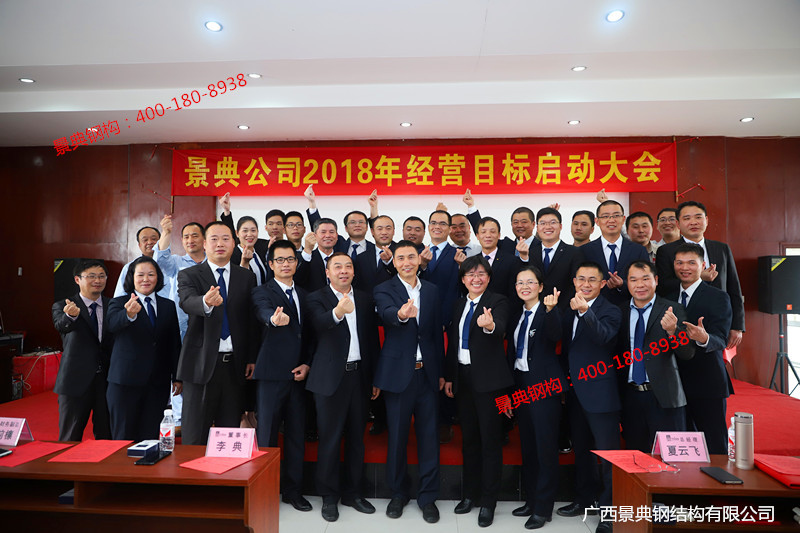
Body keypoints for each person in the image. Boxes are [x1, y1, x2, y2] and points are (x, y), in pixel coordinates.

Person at [373, 241, 445, 523]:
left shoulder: (432, 290)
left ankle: (428, 497)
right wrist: (401, 315)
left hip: (427, 374)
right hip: (398, 375)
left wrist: (441, 372)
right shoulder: (384, 289)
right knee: (397, 437)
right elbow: (386, 313)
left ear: (419, 260)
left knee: (429, 438)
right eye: (401, 258)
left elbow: (436, 334)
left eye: (411, 257)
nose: (406, 262)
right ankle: (398, 494)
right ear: (394, 262)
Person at [305, 253, 380, 522]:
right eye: (337, 266)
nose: (344, 271)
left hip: (359, 376)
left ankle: (353, 493)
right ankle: (329, 496)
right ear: (327, 272)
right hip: (329, 379)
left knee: (357, 439)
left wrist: (374, 377)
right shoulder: (316, 298)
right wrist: (338, 311)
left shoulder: (365, 298)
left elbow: (371, 340)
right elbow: (318, 324)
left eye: (348, 266)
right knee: (330, 438)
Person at [176, 221, 258, 445]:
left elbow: (250, 320)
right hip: (200, 364)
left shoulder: (246, 277)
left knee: (228, 434)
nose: (220, 243)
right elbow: (186, 302)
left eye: (225, 239)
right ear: (204, 244)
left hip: (234, 366)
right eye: (214, 239)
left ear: (234, 243)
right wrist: (205, 301)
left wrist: (251, 357)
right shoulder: (189, 274)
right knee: (195, 435)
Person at [444, 255, 512, 527]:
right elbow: (453, 342)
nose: (476, 278)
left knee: (490, 442)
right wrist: (450, 376)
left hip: (489, 383)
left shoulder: (498, 301)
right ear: (463, 279)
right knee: (469, 440)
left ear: (489, 278)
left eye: (481, 273)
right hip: (463, 379)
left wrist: (490, 325)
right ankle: (470, 494)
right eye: (470, 274)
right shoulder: (460, 303)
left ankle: (488, 501)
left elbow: (501, 327)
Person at [557, 262, 621, 528]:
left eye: (592, 280)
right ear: (574, 281)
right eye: (581, 279)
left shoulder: (611, 310)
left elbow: (603, 338)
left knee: (608, 455)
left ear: (602, 284)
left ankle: (609, 512)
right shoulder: (569, 307)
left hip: (601, 394)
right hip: (575, 393)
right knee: (582, 451)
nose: (585, 284)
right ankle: (583, 500)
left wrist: (586, 312)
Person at [251, 240, 312, 512]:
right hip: (272, 376)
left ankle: (293, 492)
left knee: (297, 436)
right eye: (280, 260)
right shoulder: (262, 292)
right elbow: (263, 311)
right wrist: (273, 319)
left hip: (299, 376)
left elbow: (310, 335)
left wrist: (307, 364)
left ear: (296, 263)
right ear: (271, 264)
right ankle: (264, 491)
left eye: (290, 259)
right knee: (267, 436)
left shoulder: (306, 294)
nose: (285, 264)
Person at [506, 267, 564, 529]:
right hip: (522, 385)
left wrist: (552, 311)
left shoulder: (548, 311)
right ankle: (531, 501)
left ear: (541, 287)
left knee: (545, 448)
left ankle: (543, 508)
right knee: (528, 446)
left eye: (530, 282)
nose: (525, 286)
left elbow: (556, 335)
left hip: (544, 387)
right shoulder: (518, 315)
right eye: (520, 282)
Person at [617, 261, 695, 455]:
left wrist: (673, 332)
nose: (640, 285)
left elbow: (687, 353)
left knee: (671, 458)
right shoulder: (620, 311)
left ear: (656, 280)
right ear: (627, 283)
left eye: (645, 279)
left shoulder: (672, 309)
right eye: (633, 280)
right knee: (636, 456)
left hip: (664, 397)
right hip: (630, 397)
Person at [106, 257, 181, 441]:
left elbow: (174, 343)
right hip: (125, 382)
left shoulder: (168, 305)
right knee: (124, 436)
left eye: (151, 274)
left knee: (150, 436)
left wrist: (177, 377)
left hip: (157, 383)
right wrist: (128, 314)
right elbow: (111, 326)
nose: (145, 279)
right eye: (140, 275)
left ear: (158, 277)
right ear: (132, 278)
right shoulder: (119, 303)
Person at [670, 243, 733, 454]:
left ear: (703, 265)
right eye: (679, 263)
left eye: (691, 263)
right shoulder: (666, 296)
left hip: (707, 381)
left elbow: (721, 339)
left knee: (714, 443)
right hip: (675, 383)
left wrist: (704, 338)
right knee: (681, 443)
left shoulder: (718, 297)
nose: (684, 268)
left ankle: (718, 476)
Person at [655, 200, 744, 348]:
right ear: (678, 224)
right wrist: (699, 277)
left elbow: (734, 286)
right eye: (687, 218)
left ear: (706, 220)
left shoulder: (721, 248)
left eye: (698, 217)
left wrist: (737, 325)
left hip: (717, 321)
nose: (693, 222)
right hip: (681, 319)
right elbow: (663, 286)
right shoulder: (666, 251)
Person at [51, 259, 114, 441]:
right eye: (91, 276)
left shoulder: (113, 305)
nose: (97, 280)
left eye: (102, 276)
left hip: (106, 380)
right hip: (75, 380)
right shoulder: (63, 305)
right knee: (70, 437)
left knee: (106, 436)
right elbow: (61, 326)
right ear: (77, 279)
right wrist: (70, 316)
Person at [580, 200, 649, 306]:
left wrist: (622, 284)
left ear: (623, 219)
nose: (611, 220)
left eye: (616, 216)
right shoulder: (585, 251)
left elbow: (646, 280)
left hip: (630, 307)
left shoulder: (638, 250)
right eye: (605, 216)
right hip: (594, 309)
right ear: (597, 221)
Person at [154, 217, 207, 338]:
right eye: (186, 237)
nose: (190, 240)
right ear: (182, 241)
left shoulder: (212, 262)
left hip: (207, 320)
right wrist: (166, 233)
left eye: (195, 236)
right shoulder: (176, 262)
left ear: (204, 239)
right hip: (181, 322)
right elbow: (160, 260)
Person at [528, 207, 584, 306]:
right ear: (537, 227)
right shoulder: (530, 253)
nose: (548, 227)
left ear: (560, 226)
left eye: (552, 222)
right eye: (543, 223)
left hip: (564, 308)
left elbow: (576, 284)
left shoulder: (574, 252)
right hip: (535, 309)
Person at [462, 188, 537, 255]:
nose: (519, 225)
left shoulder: (541, 246)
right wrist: (471, 206)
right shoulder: (505, 245)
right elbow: (481, 228)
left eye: (524, 222)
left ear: (533, 224)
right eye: (515, 222)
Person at [419, 210, 461, 326]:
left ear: (450, 229)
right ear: (428, 227)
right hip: (419, 316)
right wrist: (422, 265)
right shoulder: (417, 254)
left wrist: (445, 320)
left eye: (442, 223)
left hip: (446, 319)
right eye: (433, 223)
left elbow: (455, 291)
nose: (437, 227)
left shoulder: (458, 255)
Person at [476, 216, 528, 302]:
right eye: (483, 232)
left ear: (499, 235)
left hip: (503, 307)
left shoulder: (511, 261)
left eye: (492, 231)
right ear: (477, 236)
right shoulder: (472, 261)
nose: (488, 235)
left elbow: (514, 293)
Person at [113, 226, 168, 298]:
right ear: (139, 245)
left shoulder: (171, 264)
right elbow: (119, 296)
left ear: (160, 242)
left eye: (154, 239)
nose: (150, 242)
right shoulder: (130, 267)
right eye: (145, 240)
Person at [300, 217, 340, 292]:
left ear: (337, 236)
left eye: (331, 232)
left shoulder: (343, 258)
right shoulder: (307, 258)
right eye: (323, 232)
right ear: (315, 236)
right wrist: (307, 250)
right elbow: (298, 280)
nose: (328, 235)